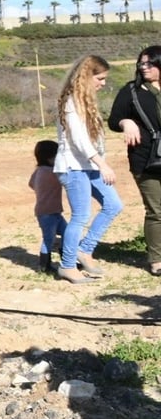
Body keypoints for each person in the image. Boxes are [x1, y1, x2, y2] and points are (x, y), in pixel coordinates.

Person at [53, 54, 123, 283]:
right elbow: (80, 140)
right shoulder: (71, 101)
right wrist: (103, 164)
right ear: (86, 76)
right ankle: (67, 265)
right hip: (74, 167)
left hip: (88, 165)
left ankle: (84, 250)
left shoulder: (85, 101)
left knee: (113, 205)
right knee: (81, 215)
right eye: (100, 78)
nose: (103, 83)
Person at [109, 46, 161, 276]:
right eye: (141, 63)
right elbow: (113, 119)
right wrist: (125, 123)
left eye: (150, 63)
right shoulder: (131, 91)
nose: (144, 67)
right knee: (157, 211)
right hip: (146, 158)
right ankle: (157, 259)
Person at [28, 140, 66, 273]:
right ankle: (44, 265)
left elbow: (31, 183)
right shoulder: (52, 172)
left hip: (51, 211)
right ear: (51, 159)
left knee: (66, 233)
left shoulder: (39, 170)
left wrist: (42, 190)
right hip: (48, 213)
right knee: (48, 239)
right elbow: (66, 179)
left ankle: (66, 261)